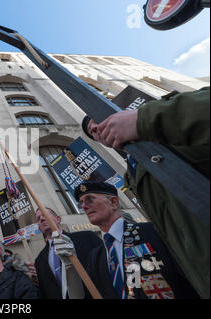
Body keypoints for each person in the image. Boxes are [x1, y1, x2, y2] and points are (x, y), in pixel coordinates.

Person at [81, 87, 210, 298]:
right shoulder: (133, 173)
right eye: (93, 132)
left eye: (98, 119)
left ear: (114, 203)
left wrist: (143, 121)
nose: (97, 128)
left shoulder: (164, 131)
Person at [76, 181, 199, 299]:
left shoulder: (153, 231)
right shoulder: (96, 257)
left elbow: (193, 273)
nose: (84, 206)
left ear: (114, 202)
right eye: (81, 203)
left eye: (89, 199)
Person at [28, 207, 102, 299]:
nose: (42, 219)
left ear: (58, 219)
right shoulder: (39, 260)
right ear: (39, 227)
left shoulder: (87, 238)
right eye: (38, 219)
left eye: (44, 215)